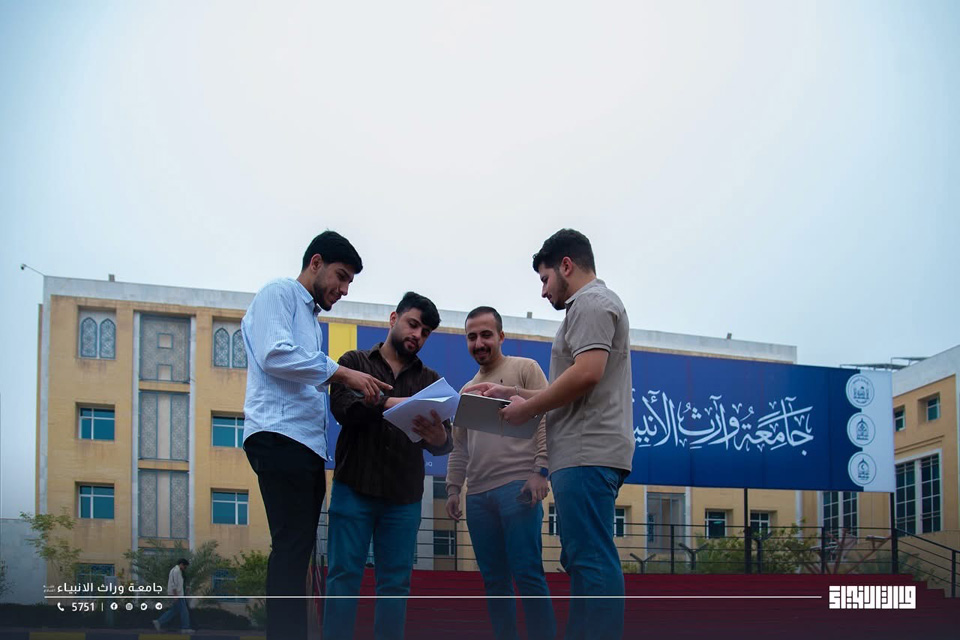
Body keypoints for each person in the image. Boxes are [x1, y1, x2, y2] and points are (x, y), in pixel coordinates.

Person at [465, 229, 634, 640]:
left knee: (591, 560)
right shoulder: (588, 306)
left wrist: (528, 408)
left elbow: (587, 373)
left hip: (586, 451)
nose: (543, 291)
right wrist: (513, 394)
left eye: (544, 279)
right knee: (581, 560)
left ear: (566, 266)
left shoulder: (590, 302)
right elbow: (570, 387)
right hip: (581, 452)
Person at [241, 231, 392, 640]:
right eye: (341, 277)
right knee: (291, 547)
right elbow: (275, 354)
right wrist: (344, 373)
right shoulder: (279, 293)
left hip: (305, 446)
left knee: (299, 551)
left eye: (349, 283)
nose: (343, 290)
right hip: (279, 436)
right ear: (316, 263)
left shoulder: (310, 319)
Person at [323, 292, 453, 640]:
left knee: (395, 584)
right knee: (342, 577)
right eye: (413, 324)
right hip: (354, 487)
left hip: (404, 498)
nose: (417, 335)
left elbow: (446, 442)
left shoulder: (431, 382)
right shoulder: (353, 362)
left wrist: (439, 437)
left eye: (425, 332)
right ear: (394, 318)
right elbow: (343, 408)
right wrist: (389, 402)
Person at [445, 306, 556, 640]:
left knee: (528, 574)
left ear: (501, 336)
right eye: (472, 337)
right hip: (478, 496)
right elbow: (459, 445)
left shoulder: (525, 369)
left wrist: (541, 470)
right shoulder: (466, 390)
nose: (479, 343)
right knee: (494, 582)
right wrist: (453, 488)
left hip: (518, 488)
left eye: (486, 335)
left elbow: (547, 417)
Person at [153, 558, 192, 632]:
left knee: (174, 611)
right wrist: (175, 596)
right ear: (181, 564)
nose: (185, 568)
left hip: (178, 594)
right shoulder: (175, 571)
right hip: (177, 595)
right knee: (184, 611)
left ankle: (159, 621)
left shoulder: (178, 571)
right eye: (185, 566)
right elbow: (173, 585)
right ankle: (185, 628)